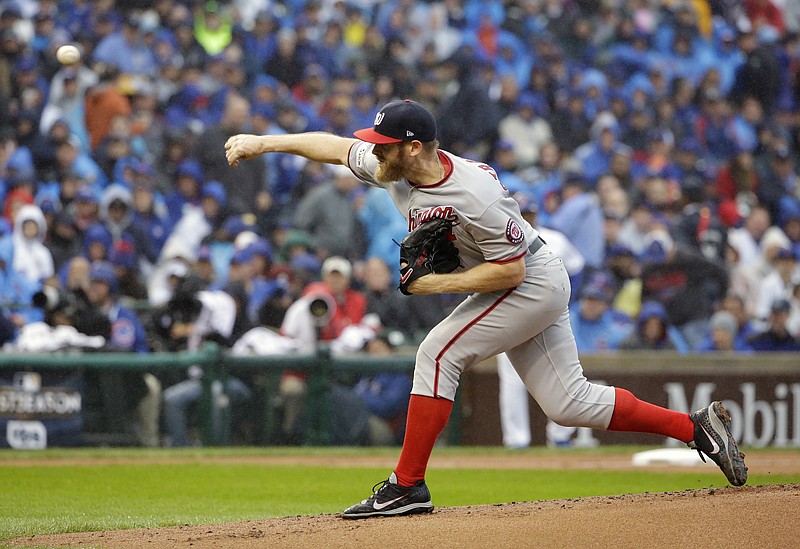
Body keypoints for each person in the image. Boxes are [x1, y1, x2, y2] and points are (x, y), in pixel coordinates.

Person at [224, 98, 748, 519]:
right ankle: (697, 427)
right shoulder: (397, 170)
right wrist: (264, 142)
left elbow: (512, 272)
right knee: (569, 405)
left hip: (530, 280)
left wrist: (433, 285)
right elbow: (336, 148)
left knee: (436, 352)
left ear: (412, 148)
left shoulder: (472, 193)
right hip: (517, 282)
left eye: (383, 146)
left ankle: (406, 486)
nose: (373, 153)